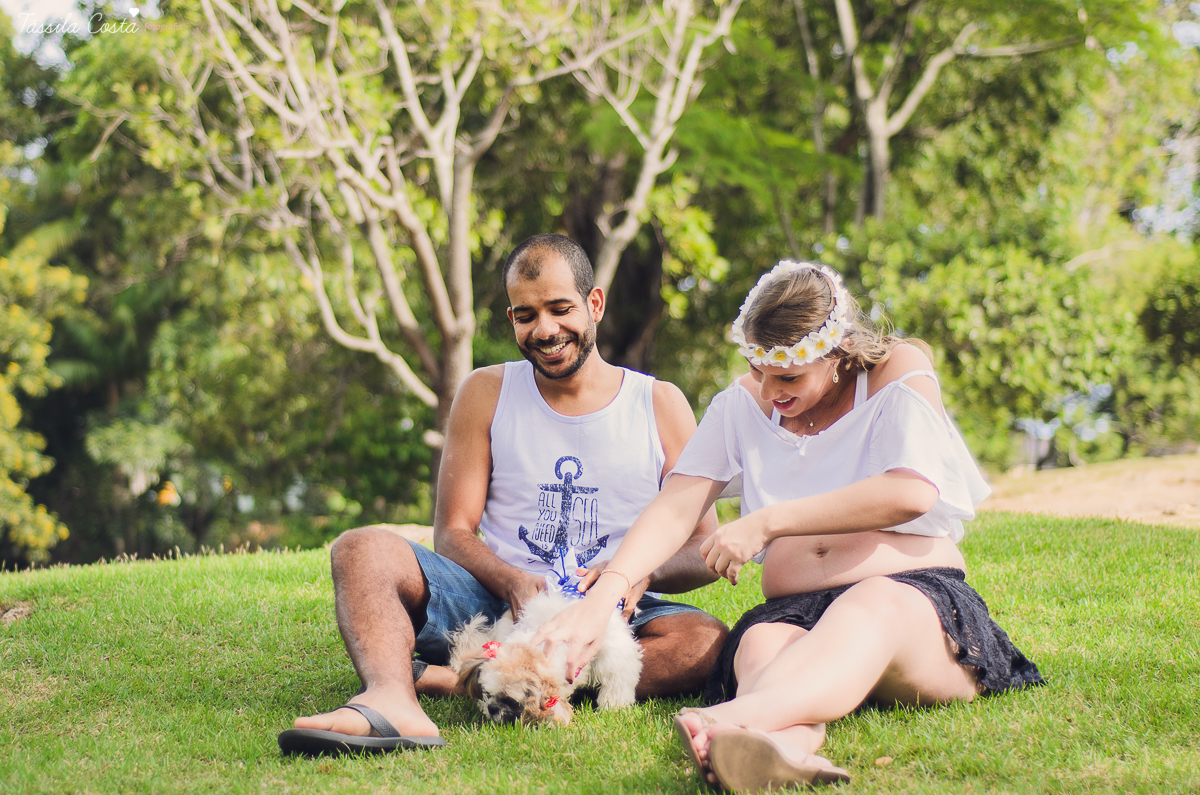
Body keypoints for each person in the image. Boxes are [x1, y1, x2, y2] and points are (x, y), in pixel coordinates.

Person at [532, 260, 1043, 791]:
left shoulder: (897, 371)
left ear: (837, 350)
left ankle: (727, 719)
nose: (770, 390)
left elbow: (910, 491)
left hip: (909, 602)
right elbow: (676, 505)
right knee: (760, 645)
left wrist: (769, 522)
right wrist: (604, 596)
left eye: (789, 376)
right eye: (759, 371)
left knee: (872, 602)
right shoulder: (743, 403)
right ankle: (786, 751)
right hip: (794, 610)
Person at [278, 234, 728, 756]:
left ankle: (482, 679)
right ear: (511, 318)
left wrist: (629, 577)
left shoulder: (658, 403)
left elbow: (702, 547)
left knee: (705, 642)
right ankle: (391, 698)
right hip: (492, 599)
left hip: (612, 611)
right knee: (360, 548)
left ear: (595, 304)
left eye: (560, 309)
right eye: (526, 315)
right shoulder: (486, 392)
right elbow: (453, 532)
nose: (545, 330)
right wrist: (512, 581)